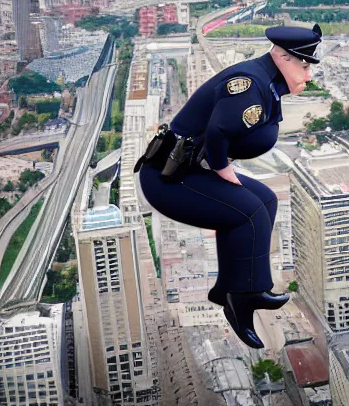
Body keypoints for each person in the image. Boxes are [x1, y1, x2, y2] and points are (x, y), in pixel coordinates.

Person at [135, 24, 323, 348]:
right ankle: (241, 302)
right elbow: (220, 132)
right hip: (167, 176)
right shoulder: (250, 85)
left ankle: (230, 286)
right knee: (248, 212)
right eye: (303, 65)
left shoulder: (266, 82)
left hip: (190, 168)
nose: (308, 75)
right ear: (281, 57)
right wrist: (226, 173)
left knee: (265, 200)